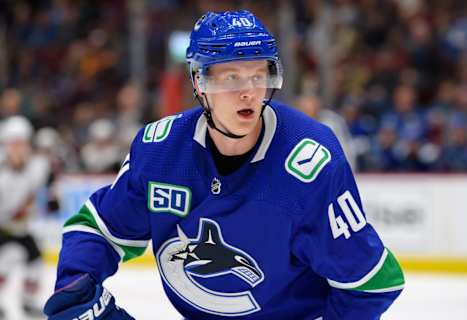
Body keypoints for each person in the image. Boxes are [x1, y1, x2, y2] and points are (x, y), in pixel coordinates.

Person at [44, 10, 404, 320]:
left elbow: (372, 281)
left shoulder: (310, 162)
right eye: (232, 77)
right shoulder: (160, 150)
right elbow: (99, 228)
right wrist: (77, 284)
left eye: (258, 75)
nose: (249, 91)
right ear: (200, 83)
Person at [0, 116, 50, 319]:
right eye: (14, 144)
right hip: (3, 228)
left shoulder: (37, 166)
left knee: (36, 264)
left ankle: (28, 303)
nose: (18, 149)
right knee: (6, 261)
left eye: (22, 143)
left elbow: (44, 189)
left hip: (20, 228)